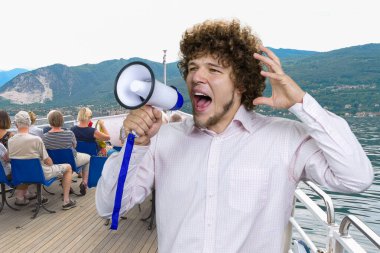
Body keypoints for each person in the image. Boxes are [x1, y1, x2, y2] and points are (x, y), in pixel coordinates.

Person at [96, 19, 374, 252]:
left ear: (241, 82)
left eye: (213, 69)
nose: (196, 77)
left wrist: (302, 103)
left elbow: (356, 177)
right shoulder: (162, 140)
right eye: (192, 68)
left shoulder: (285, 139)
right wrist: (137, 148)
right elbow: (110, 208)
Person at [8, 111, 76, 209]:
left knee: (31, 168)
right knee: (68, 167)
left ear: (15, 124)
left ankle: (33, 196)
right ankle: (66, 201)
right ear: (29, 123)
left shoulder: (11, 140)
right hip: (40, 173)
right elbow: (48, 161)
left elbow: (8, 158)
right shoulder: (36, 139)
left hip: (21, 175)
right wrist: (52, 164)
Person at [43, 110, 91, 195]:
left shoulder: (44, 137)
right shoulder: (69, 133)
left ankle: (66, 185)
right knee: (88, 158)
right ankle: (84, 182)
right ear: (62, 121)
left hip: (55, 164)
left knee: (61, 160)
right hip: (71, 161)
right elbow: (74, 146)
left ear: (49, 121)